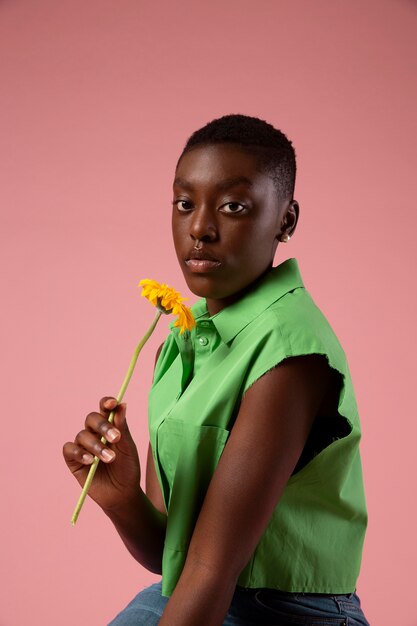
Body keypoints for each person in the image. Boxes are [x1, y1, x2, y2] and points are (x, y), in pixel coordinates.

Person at [63, 114, 370, 625]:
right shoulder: (186, 335)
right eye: (185, 204)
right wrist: (122, 500)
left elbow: (213, 565)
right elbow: (177, 555)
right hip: (203, 591)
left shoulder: (290, 351)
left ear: (286, 221)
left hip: (293, 613)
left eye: (233, 207)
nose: (200, 229)